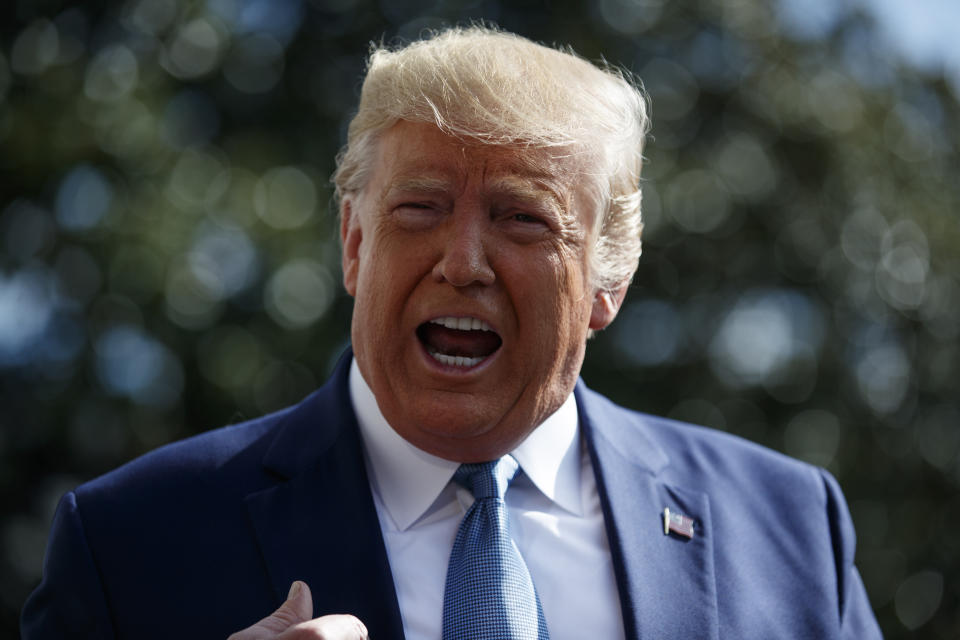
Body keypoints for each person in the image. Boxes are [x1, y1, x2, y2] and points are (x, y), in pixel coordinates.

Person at [21, 26, 882, 640]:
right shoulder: (129, 543)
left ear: (608, 282)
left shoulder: (789, 527)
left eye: (521, 219)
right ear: (356, 245)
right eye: (420, 209)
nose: (462, 261)